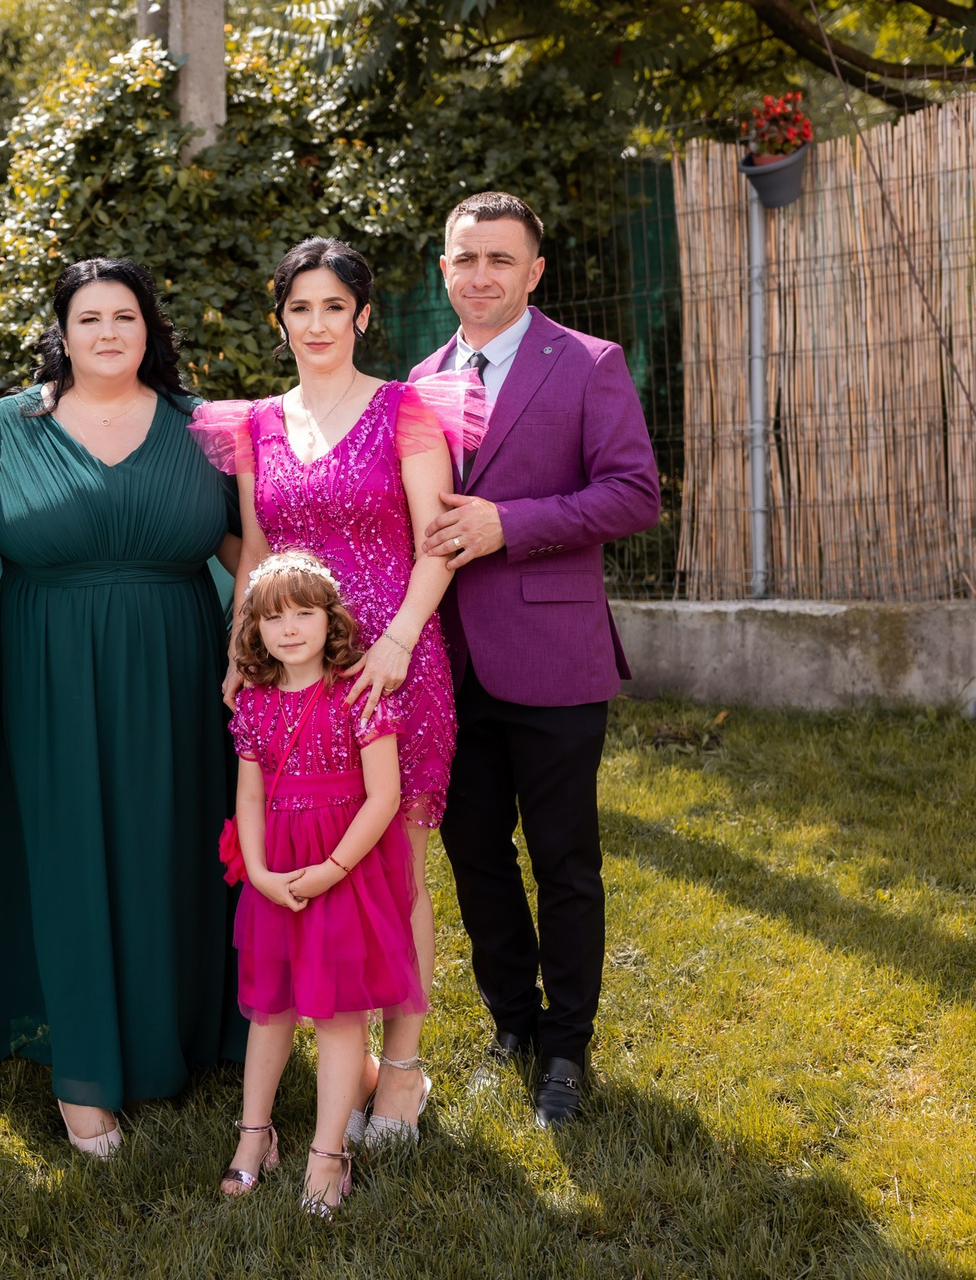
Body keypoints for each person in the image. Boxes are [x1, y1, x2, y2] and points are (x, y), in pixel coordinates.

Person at [0, 258, 245, 1156]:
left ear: (150, 329)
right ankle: (82, 1071)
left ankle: (179, 1033)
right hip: (48, 672)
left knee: (172, 846)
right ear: (63, 332)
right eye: (90, 318)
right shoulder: (3, 428)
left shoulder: (207, 428)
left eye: (126, 316)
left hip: (179, 671)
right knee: (68, 851)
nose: (109, 333)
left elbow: (251, 553)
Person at [190, 237, 455, 1145]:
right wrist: (241, 649)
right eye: (299, 307)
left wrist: (397, 642)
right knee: (313, 850)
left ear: (362, 316)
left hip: (390, 665)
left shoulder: (407, 409)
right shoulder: (256, 425)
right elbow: (258, 551)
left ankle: (403, 1072)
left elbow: (438, 542)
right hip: (291, 669)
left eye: (333, 306)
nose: (316, 323)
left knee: (397, 867)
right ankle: (348, 1058)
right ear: (280, 320)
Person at [411, 191, 661, 1127]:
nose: (481, 276)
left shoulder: (589, 364)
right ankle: (511, 1027)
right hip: (449, 662)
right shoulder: (420, 379)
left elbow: (633, 493)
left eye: (501, 260)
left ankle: (566, 1049)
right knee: (475, 856)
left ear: (534, 272)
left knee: (564, 860)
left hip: (554, 657)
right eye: (466, 259)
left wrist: (507, 525)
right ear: (444, 268)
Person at [219, 550, 426, 1220]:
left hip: (344, 869)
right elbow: (250, 798)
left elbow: (385, 796)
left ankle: (328, 1152)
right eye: (273, 617)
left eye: (303, 613)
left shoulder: (358, 695)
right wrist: (259, 872)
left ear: (330, 619)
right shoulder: (254, 705)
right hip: (277, 868)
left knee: (339, 1015)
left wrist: (333, 868)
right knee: (270, 1008)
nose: (289, 629)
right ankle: (254, 1135)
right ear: (255, 629)